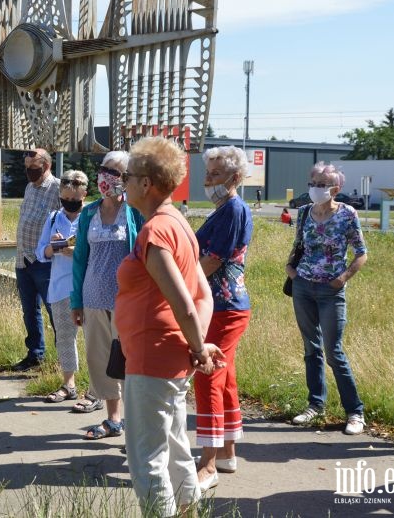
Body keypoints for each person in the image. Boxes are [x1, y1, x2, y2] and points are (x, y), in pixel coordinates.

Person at [116, 136, 224, 517]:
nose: (123, 182)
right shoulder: (178, 222)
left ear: (146, 183)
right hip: (173, 356)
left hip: (152, 356)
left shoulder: (156, 231)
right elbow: (203, 296)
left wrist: (198, 346)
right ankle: (188, 511)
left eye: (127, 176)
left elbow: (184, 301)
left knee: (146, 459)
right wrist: (198, 346)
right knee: (177, 448)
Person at [285, 162, 367, 434]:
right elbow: (299, 244)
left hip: (331, 290)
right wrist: (291, 270)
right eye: (313, 182)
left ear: (336, 188)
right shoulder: (305, 212)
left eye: (322, 184)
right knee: (311, 348)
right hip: (303, 286)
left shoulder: (347, 214)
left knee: (334, 351)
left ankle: (355, 412)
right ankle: (315, 404)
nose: (315, 188)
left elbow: (361, 253)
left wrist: (342, 278)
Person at [70, 151, 144, 438]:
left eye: (115, 172)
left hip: (128, 301)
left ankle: (136, 427)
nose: (107, 176)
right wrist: (76, 300)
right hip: (92, 298)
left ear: (127, 180)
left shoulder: (135, 211)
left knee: (129, 362)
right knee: (100, 360)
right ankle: (113, 419)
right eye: (104, 169)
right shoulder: (89, 212)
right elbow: (79, 259)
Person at [194, 146, 254, 486]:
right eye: (207, 173)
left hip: (224, 307)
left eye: (214, 175)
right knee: (224, 376)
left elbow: (214, 259)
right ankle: (228, 452)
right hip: (221, 305)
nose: (207, 180)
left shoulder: (233, 209)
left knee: (208, 374)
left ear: (234, 178)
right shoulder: (223, 209)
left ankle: (209, 464)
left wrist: (180, 285)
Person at [35, 170, 88, 403]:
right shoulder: (54, 217)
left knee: (97, 341)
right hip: (59, 287)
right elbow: (40, 253)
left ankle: (98, 388)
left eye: (75, 200)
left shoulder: (92, 217)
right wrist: (54, 247)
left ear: (84, 195)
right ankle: (69, 385)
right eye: (66, 199)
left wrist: (76, 252)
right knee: (65, 338)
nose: (70, 204)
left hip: (88, 288)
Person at [13, 148, 61, 371]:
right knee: (29, 311)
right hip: (23, 259)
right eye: (27, 168)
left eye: (34, 168)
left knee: (54, 311)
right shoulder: (29, 187)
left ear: (46, 166)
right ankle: (35, 355)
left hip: (45, 262)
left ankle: (63, 360)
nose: (30, 172)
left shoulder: (58, 188)